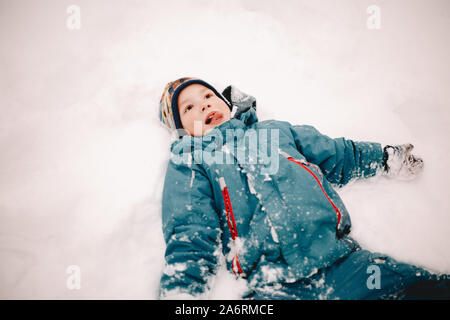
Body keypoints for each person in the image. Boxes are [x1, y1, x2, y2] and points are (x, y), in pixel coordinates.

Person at [158, 77, 449, 299]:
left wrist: (385, 158)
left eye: (208, 95)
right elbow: (190, 228)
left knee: (418, 288)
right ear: (181, 129)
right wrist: (182, 293)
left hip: (342, 262)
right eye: (189, 107)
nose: (205, 104)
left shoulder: (274, 132)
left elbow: (336, 154)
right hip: (271, 287)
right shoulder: (192, 160)